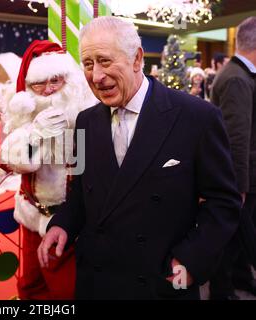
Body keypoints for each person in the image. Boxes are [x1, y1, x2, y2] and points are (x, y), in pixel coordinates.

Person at [38, 16, 241, 300]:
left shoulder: (197, 118)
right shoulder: (86, 122)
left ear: (137, 59)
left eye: (105, 61)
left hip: (160, 283)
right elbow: (82, 193)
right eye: (88, 64)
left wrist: (191, 260)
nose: (96, 76)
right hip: (97, 283)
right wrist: (62, 224)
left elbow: (224, 203)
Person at [0, 40, 96, 299]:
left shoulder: (84, 115)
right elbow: (13, 162)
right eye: (38, 84)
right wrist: (35, 133)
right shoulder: (22, 117)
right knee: (31, 286)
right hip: (31, 216)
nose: (47, 90)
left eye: (55, 81)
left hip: (73, 222)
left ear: (68, 81)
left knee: (67, 291)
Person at [209, 16, 256, 300]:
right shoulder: (237, 79)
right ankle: (222, 290)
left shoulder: (239, 74)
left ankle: (239, 278)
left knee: (239, 237)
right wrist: (239, 185)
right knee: (233, 237)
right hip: (243, 175)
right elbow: (236, 138)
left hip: (245, 172)